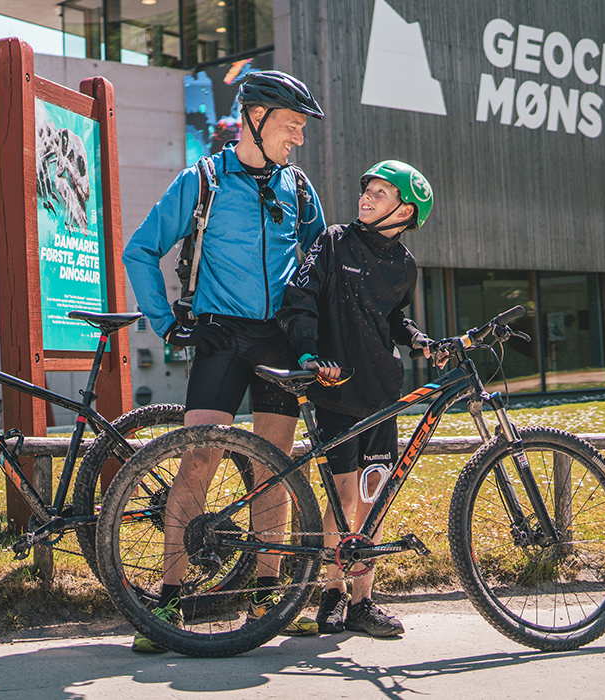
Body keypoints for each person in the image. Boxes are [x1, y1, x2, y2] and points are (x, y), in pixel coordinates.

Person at [121, 70, 328, 653]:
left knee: (275, 466)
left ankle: (270, 596)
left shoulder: (299, 187)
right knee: (200, 461)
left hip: (279, 341)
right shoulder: (204, 180)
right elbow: (140, 249)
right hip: (221, 339)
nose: (299, 138)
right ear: (255, 120)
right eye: (292, 126)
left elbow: (318, 264)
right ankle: (168, 597)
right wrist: (167, 322)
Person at [276, 160, 435, 637]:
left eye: (381, 193)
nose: (367, 197)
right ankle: (332, 594)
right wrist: (308, 352)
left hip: (384, 396)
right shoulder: (334, 241)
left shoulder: (404, 265)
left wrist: (418, 339)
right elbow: (299, 298)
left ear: (406, 210)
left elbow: (392, 320)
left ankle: (364, 602)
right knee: (343, 497)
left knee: (373, 498)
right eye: (367, 189)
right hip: (336, 389)